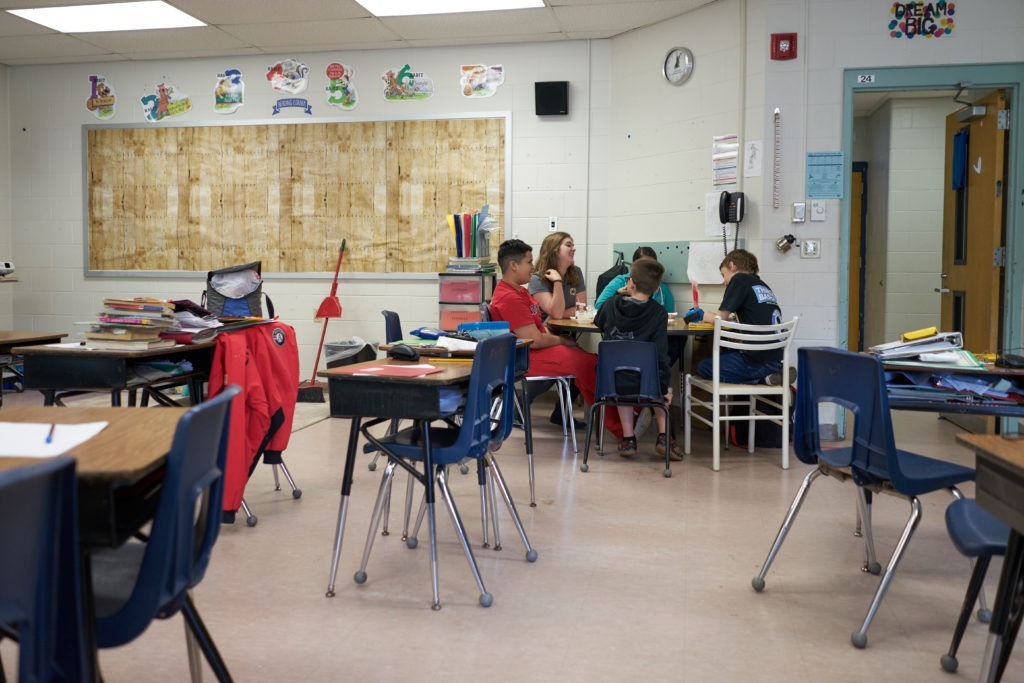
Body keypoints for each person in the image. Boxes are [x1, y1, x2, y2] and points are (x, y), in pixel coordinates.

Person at [489, 238, 622, 439]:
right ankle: (621, 426)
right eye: (529, 262)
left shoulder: (521, 292)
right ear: (513, 266)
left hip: (535, 350)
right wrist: (562, 341)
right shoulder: (509, 298)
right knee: (590, 364)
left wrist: (562, 342)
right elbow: (534, 340)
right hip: (525, 358)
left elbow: (541, 328)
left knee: (591, 360)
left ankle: (619, 419)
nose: (533, 267)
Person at [594, 258, 682, 460]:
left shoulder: (611, 305)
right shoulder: (658, 313)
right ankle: (663, 437)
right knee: (657, 381)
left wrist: (617, 295)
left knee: (624, 383)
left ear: (630, 282)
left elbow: (599, 321)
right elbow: (661, 354)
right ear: (657, 287)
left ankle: (628, 439)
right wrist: (665, 386)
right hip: (647, 382)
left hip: (611, 380)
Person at [684, 249, 785, 385]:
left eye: (723, 275)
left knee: (704, 367)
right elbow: (749, 318)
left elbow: (720, 319)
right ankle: (770, 375)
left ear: (732, 266)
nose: (725, 282)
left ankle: (762, 379)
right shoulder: (762, 285)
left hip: (755, 360)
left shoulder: (739, 279)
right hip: (775, 359)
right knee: (724, 356)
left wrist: (704, 315)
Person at [594, 246, 675, 312]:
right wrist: (618, 295)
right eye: (643, 266)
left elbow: (670, 316)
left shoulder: (662, 290)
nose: (647, 270)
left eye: (651, 266)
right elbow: (599, 306)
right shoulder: (620, 282)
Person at [528, 231, 586, 320]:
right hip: (546, 330)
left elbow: (582, 308)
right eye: (568, 245)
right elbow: (556, 314)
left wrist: (555, 315)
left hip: (570, 329)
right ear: (554, 250)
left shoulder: (576, 272)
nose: (574, 249)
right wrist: (557, 281)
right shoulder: (537, 278)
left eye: (573, 245)